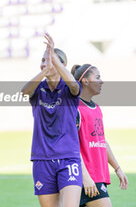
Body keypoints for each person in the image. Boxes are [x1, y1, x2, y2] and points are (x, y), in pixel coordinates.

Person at [21, 33, 83, 207]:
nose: (44, 63)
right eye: (42, 60)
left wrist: (53, 59)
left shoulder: (69, 88)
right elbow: (24, 91)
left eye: (49, 60)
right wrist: (44, 70)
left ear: (61, 64)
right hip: (42, 159)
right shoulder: (37, 88)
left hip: (68, 158)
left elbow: (74, 86)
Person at [71, 64, 129, 207]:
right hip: (85, 178)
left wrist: (117, 168)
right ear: (85, 81)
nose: (101, 81)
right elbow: (71, 146)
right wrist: (86, 177)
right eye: (97, 77)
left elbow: (101, 140)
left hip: (97, 176)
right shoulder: (75, 108)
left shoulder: (96, 108)